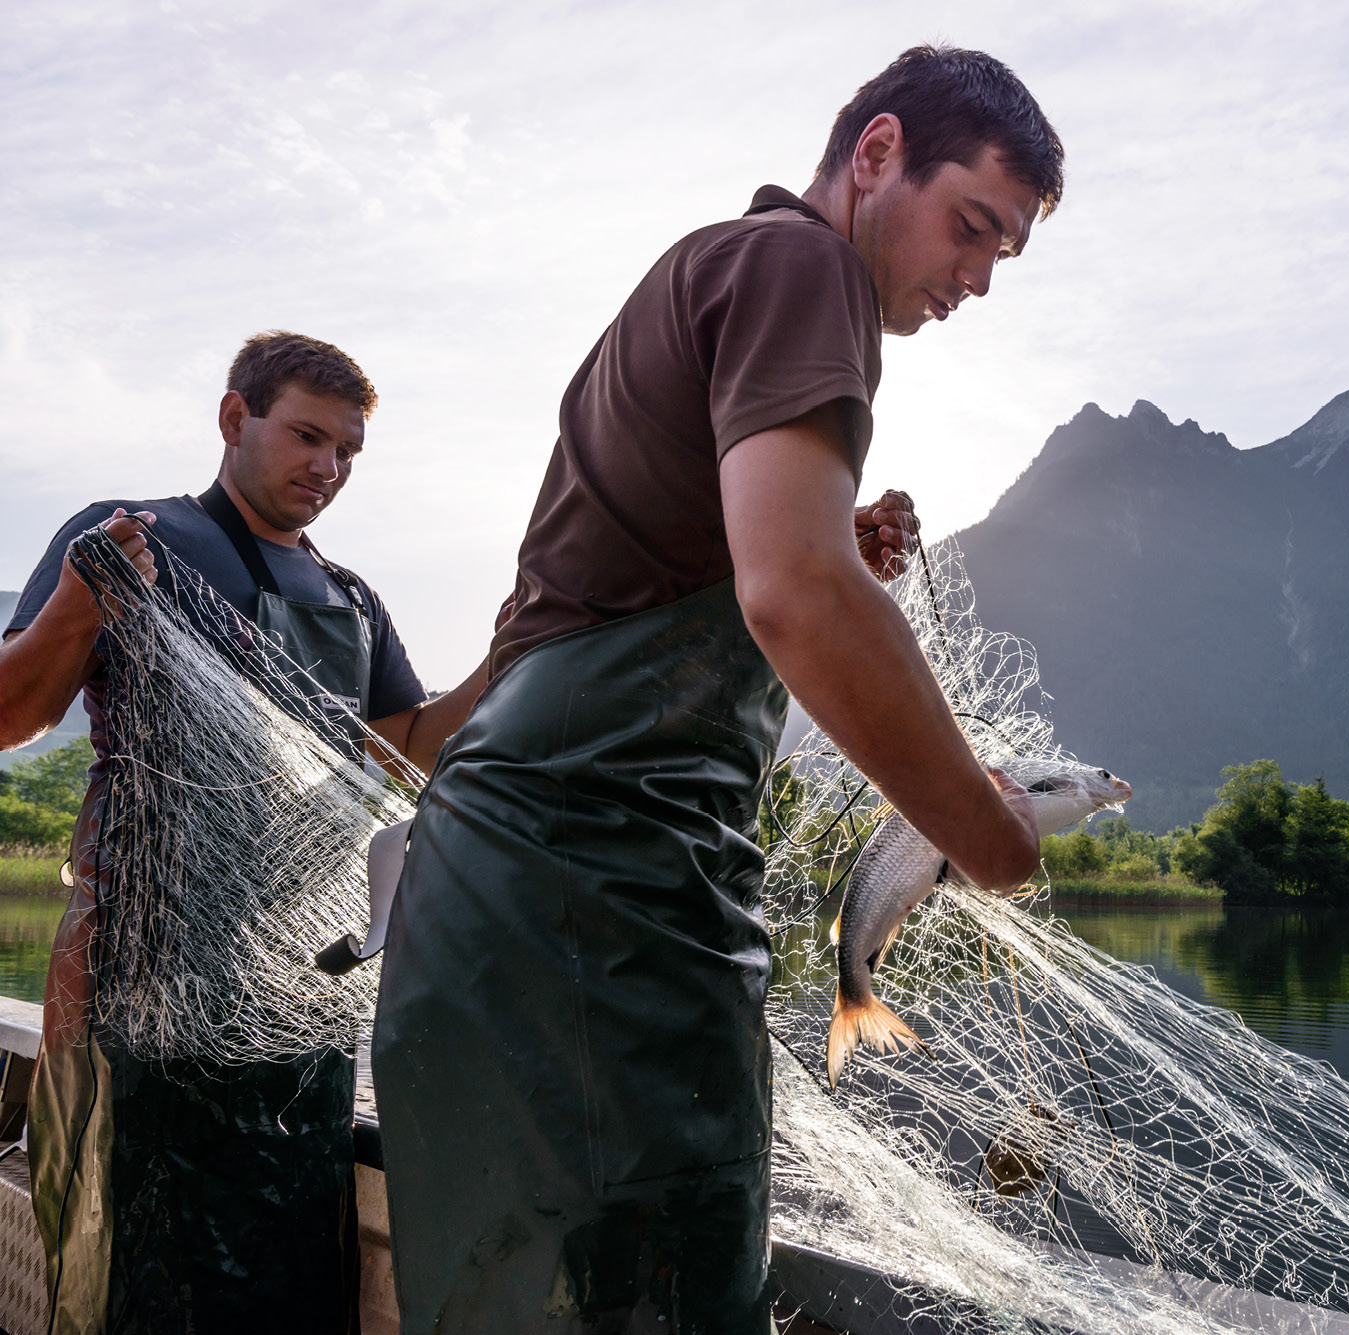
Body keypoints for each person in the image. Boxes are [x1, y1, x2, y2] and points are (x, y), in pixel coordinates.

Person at [373, 43, 1065, 1333]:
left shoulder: (710, 269)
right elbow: (792, 595)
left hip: (512, 904)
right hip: (597, 903)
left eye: (1002, 259)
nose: (974, 279)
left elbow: (647, 603)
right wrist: (986, 828)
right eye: (970, 227)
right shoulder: (803, 265)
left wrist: (813, 552)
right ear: (874, 155)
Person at [0, 331, 491, 1333]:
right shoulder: (132, 538)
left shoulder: (351, 602)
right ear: (235, 419)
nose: (329, 468)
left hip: (299, 1009)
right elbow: (14, 714)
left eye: (348, 452)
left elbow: (398, 755)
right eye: (308, 437)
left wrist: (510, 651)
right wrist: (71, 614)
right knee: (133, 1282)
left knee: (288, 1282)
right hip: (130, 996)